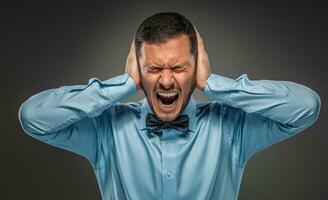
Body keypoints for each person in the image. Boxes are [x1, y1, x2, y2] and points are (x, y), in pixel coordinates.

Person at [18, 12, 321, 200]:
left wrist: (213, 83)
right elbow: (34, 117)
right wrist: (123, 85)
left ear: (196, 66)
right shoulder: (105, 130)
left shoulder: (231, 127)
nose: (165, 81)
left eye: (178, 68)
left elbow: (305, 106)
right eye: (153, 69)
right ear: (138, 68)